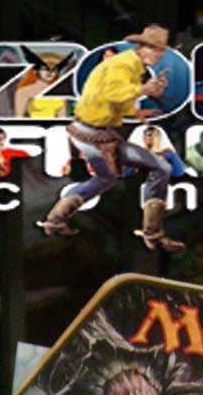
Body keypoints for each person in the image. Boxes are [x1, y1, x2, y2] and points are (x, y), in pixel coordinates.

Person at [39, 24, 185, 252]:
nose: (158, 56)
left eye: (161, 51)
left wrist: (136, 111)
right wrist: (143, 90)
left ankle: (55, 220)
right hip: (95, 135)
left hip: (90, 132)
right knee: (160, 167)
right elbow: (112, 94)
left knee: (106, 179)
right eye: (154, 49)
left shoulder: (131, 67)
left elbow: (110, 100)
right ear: (141, 47)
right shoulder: (123, 65)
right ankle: (152, 233)